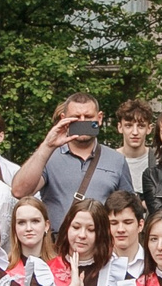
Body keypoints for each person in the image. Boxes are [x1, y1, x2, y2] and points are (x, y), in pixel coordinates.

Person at [12, 91, 136, 230]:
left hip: (100, 240)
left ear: (99, 118)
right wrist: (47, 145)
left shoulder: (116, 160)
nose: (82, 122)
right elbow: (19, 192)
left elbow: (128, 209)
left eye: (88, 117)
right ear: (64, 119)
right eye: (76, 118)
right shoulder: (49, 157)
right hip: (57, 240)